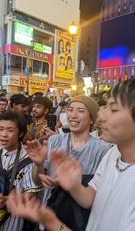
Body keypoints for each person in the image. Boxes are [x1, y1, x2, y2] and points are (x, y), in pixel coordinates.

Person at [7, 78, 135, 231]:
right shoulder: (113, 154)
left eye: (113, 109)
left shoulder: (103, 150)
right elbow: (89, 198)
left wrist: (51, 222)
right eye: (70, 109)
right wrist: (73, 185)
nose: (102, 118)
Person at [24, 95, 110, 230]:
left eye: (81, 111)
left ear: (92, 118)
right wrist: (38, 164)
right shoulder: (54, 141)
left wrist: (71, 183)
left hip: (79, 222)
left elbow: (98, 194)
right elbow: (38, 182)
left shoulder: (103, 150)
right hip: (50, 215)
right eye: (70, 109)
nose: (73, 115)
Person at [0, 111, 40, 231]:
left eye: (10, 130)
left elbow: (31, 195)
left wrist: (6, 200)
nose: (3, 134)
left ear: (21, 133)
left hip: (12, 219)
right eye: (0, 129)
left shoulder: (29, 158)